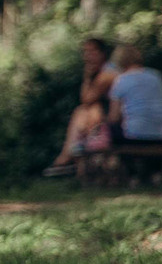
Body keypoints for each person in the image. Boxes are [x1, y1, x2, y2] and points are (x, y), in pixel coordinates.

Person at [44, 37, 118, 177]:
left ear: (103, 53)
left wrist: (87, 76)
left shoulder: (108, 73)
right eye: (85, 52)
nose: (87, 56)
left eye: (92, 51)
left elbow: (86, 98)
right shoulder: (104, 72)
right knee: (86, 111)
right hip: (108, 117)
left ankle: (69, 155)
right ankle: (74, 155)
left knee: (85, 110)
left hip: (120, 120)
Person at [105, 43, 162, 145]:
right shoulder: (156, 76)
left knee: (112, 129)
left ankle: (121, 160)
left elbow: (114, 117)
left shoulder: (121, 80)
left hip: (137, 136)